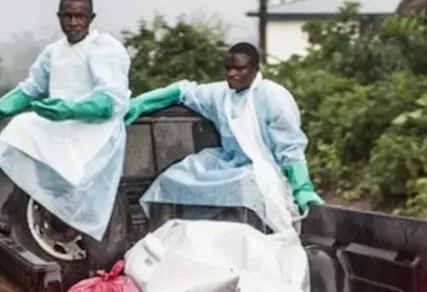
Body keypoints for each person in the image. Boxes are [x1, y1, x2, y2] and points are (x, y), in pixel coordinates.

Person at [0, 0, 131, 242]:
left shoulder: (105, 48)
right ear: (59, 17)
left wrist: (71, 109)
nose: (73, 23)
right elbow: (31, 89)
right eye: (67, 16)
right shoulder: (53, 52)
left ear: (91, 18)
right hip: (60, 126)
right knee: (20, 126)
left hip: (95, 131)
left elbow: (111, 101)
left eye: (79, 16)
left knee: (27, 127)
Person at [123, 43, 323, 234]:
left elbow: (290, 148)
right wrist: (140, 103)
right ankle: (170, 239)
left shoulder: (274, 97)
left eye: (239, 69)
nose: (231, 74)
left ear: (255, 68)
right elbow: (183, 91)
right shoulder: (220, 93)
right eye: (227, 68)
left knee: (246, 187)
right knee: (172, 179)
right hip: (226, 163)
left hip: (264, 169)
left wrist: (302, 187)